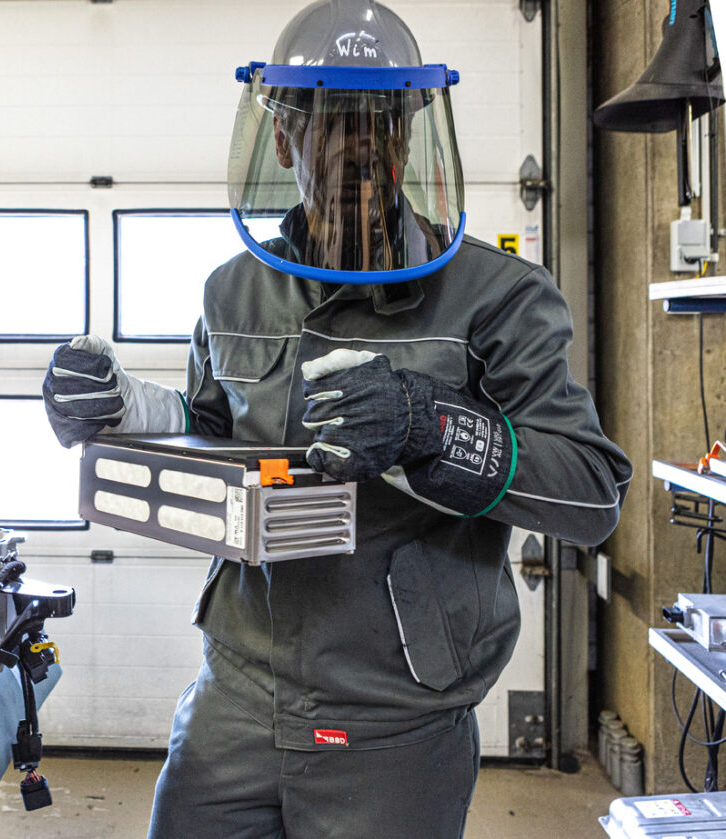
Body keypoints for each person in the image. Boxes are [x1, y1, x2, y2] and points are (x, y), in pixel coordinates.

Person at [41, 1, 633, 836]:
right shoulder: (232, 292)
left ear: (410, 134)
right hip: (234, 693)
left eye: (382, 120)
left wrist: (431, 427)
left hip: (395, 713)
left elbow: (589, 493)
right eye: (330, 120)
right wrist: (123, 412)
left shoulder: (500, 298)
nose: (361, 144)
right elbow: (215, 435)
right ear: (280, 139)